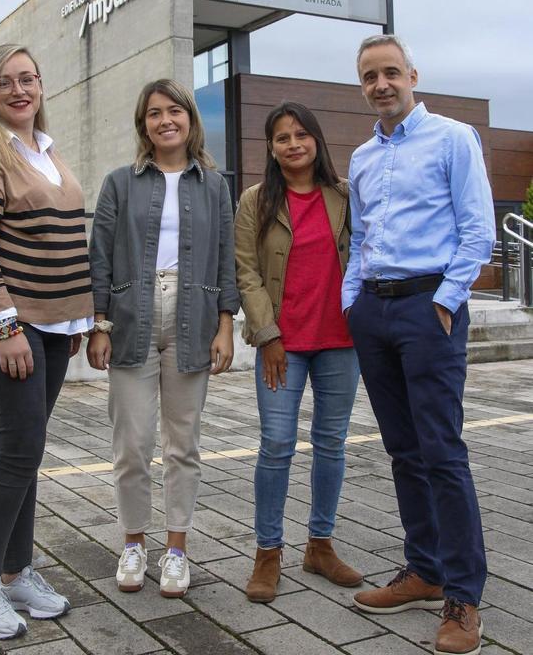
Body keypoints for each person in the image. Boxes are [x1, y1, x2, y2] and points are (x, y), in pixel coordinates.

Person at [343, 35, 495, 655]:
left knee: (442, 450)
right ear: (362, 87)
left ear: (412, 74)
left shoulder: (454, 139)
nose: (381, 84)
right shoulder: (360, 158)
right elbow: (360, 239)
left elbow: (477, 229)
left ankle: (463, 597)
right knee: (403, 449)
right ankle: (424, 569)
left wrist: (445, 299)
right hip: (373, 311)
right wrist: (351, 302)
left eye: (390, 73)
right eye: (370, 77)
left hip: (428, 305)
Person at [0, 44, 94, 640]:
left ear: (41, 85)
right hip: (2, 322)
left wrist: (78, 320)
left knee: (27, 451)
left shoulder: (49, 152)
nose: (19, 90)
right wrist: (6, 327)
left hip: (52, 324)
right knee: (16, 450)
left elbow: (61, 243)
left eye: (28, 78)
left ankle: (16, 572)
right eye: (5, 81)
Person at [88, 78, 240, 598]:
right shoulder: (119, 182)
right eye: (154, 113)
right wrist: (100, 323)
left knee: (183, 443)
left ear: (190, 119)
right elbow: (100, 257)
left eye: (174, 110)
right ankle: (134, 542)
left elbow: (227, 259)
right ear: (143, 123)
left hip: (193, 315)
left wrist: (226, 323)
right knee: (131, 442)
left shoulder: (216, 186)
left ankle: (177, 550)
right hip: (132, 315)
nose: (165, 120)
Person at [234, 101, 362, 604]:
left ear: (317, 140)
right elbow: (245, 270)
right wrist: (267, 335)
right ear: (270, 147)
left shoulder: (345, 196)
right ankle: (268, 552)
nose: (293, 144)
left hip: (341, 342)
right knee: (277, 444)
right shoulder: (256, 200)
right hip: (281, 346)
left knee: (331, 443)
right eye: (282, 137)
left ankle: (320, 545)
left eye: (301, 135)